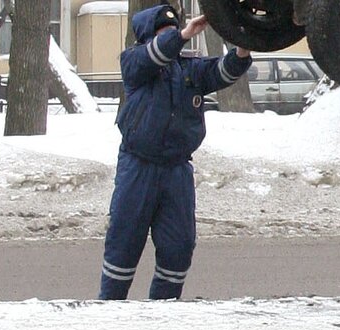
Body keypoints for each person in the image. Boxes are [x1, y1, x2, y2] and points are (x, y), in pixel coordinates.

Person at [99, 5, 252, 301]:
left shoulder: (189, 70)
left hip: (177, 171)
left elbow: (222, 71)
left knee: (179, 246)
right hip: (137, 167)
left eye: (172, 30)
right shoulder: (135, 63)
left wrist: (244, 48)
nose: (170, 36)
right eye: (163, 32)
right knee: (124, 242)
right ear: (148, 36)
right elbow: (153, 55)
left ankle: (164, 310)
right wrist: (182, 35)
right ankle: (109, 310)